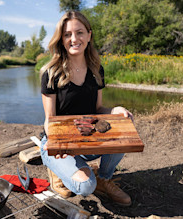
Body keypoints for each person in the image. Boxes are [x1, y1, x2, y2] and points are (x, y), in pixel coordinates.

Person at [40, 11, 134, 206]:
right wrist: (58, 144)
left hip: (88, 140)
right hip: (57, 145)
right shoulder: (51, 73)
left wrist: (116, 110)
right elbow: (50, 120)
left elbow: (98, 109)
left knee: (125, 122)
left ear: (89, 35)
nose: (74, 39)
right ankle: (56, 171)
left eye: (80, 32)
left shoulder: (96, 69)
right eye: (67, 34)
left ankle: (104, 179)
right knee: (85, 187)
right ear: (61, 39)